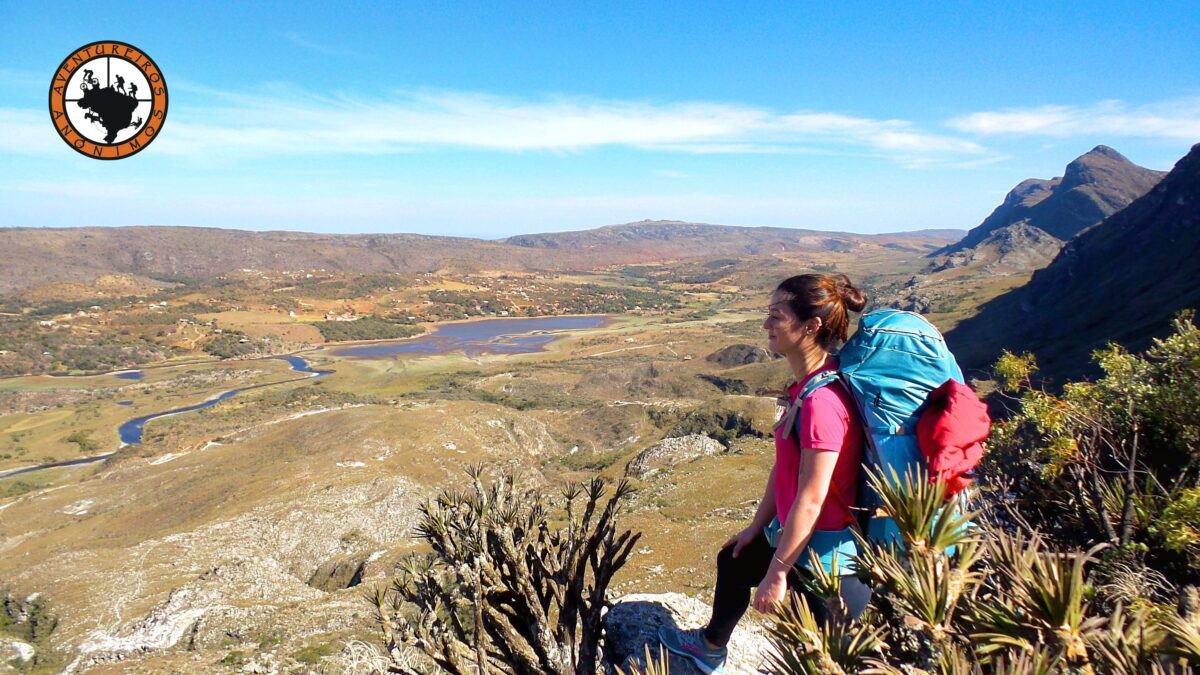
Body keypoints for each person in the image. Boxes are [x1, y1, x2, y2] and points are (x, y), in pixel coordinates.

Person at [658, 273, 872, 674]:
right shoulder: (805, 388)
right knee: (735, 558)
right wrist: (758, 527)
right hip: (798, 541)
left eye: (776, 316)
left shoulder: (822, 403)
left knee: (821, 661)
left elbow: (812, 497)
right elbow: (785, 468)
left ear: (811, 326)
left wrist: (777, 573)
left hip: (830, 565)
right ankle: (710, 648)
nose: (766, 325)